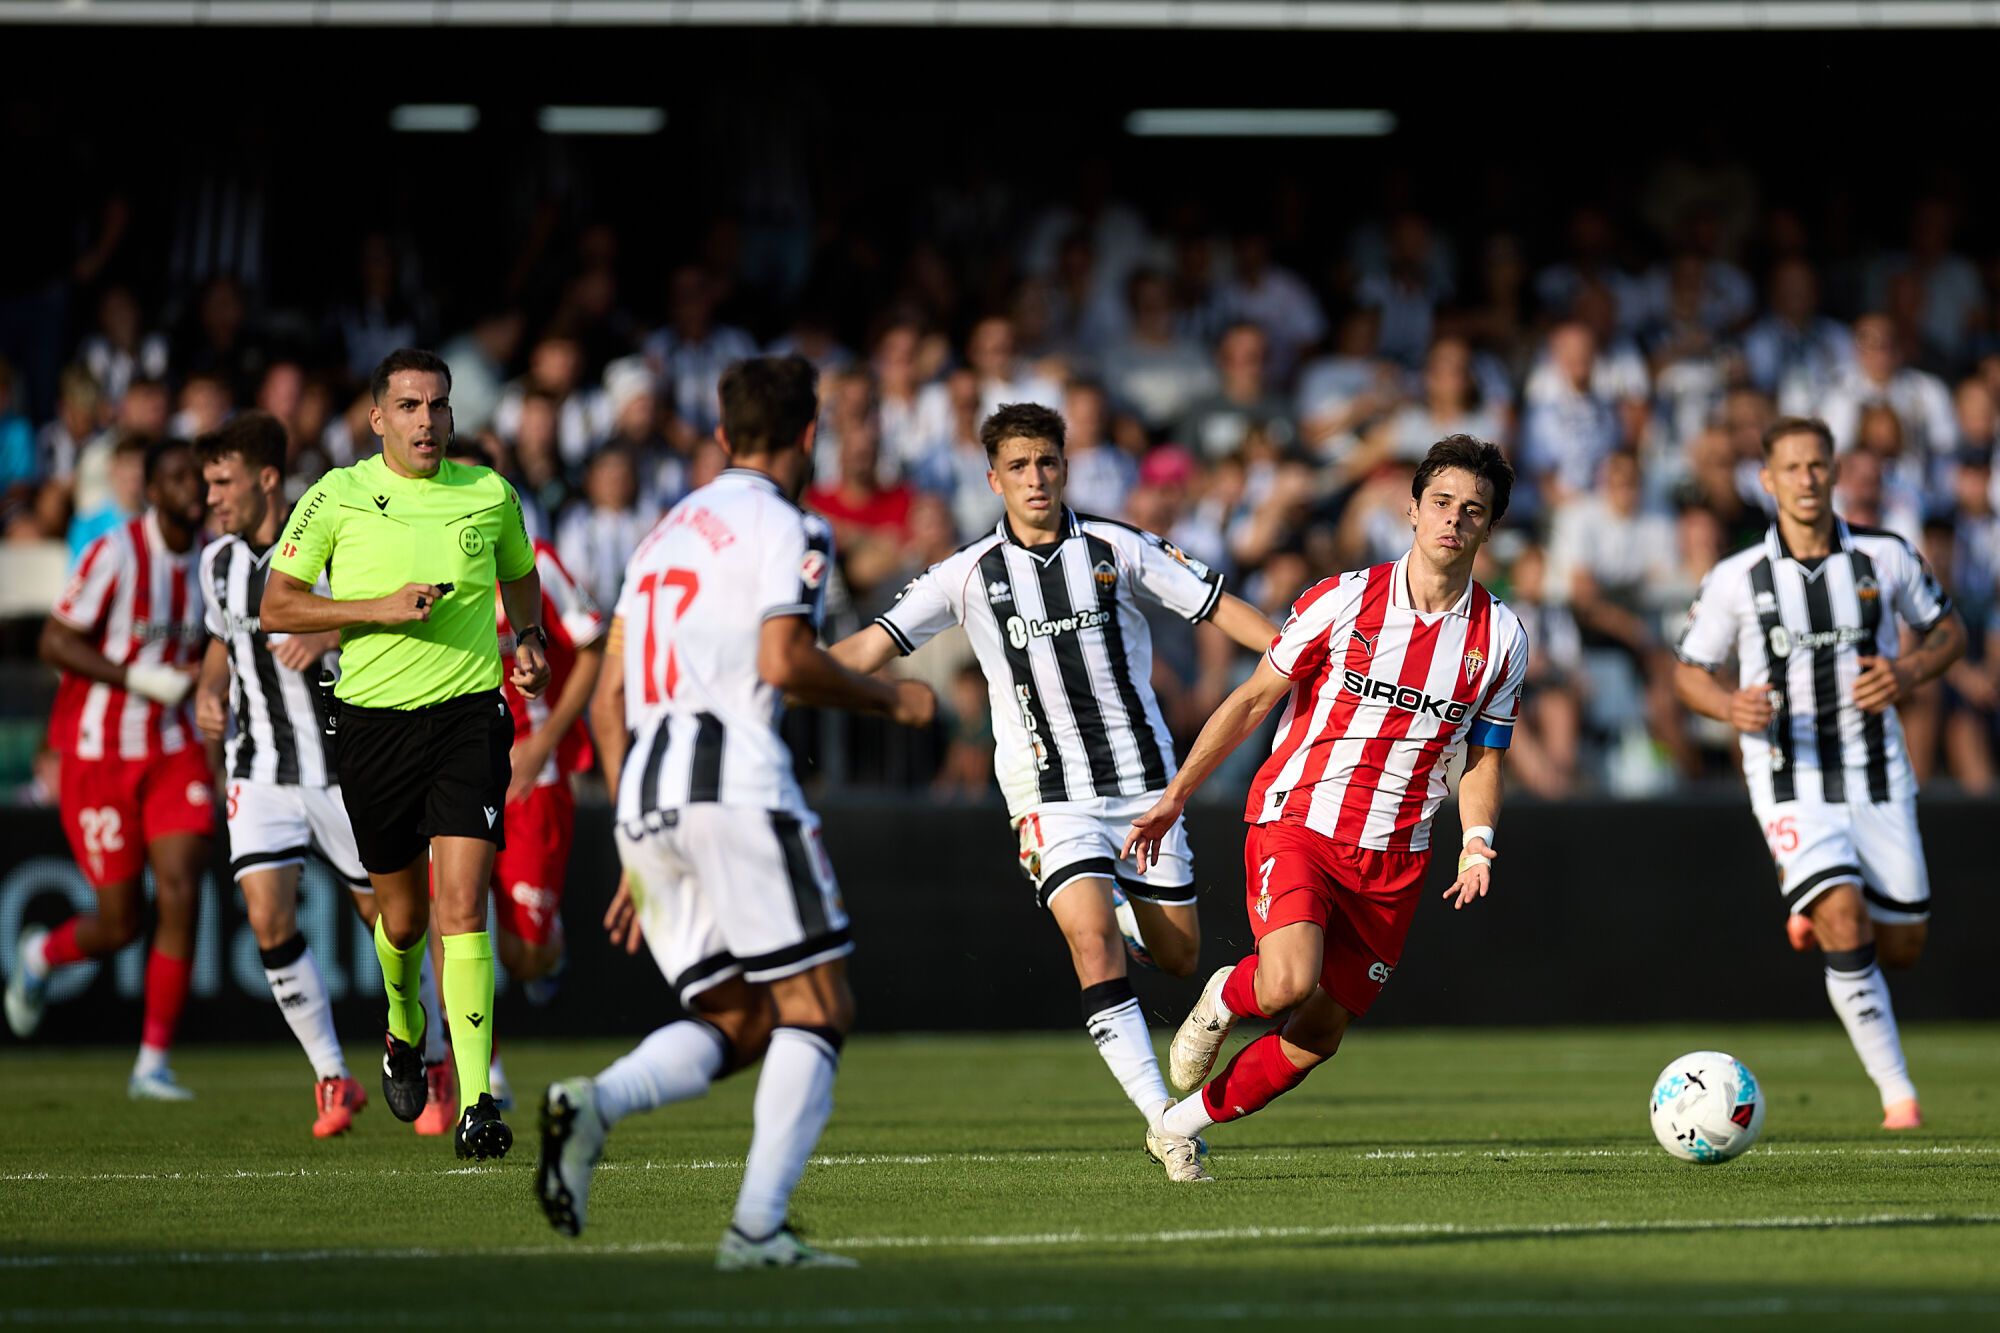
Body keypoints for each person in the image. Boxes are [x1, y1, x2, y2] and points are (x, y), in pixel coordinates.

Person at [535, 355, 935, 1268]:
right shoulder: (791, 523)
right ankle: (756, 1228)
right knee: (820, 1004)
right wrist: (894, 701)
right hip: (736, 781)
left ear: (721, 434)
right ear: (809, 435)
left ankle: (591, 1105)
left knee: (743, 1017)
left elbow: (606, 699)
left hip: (647, 791)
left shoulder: (663, 531)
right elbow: (786, 660)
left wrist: (643, 837)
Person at [829, 401, 1279, 1182]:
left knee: (1178, 957)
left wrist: (1296, 652)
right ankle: (1164, 1125)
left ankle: (1130, 920)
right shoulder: (965, 574)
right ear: (993, 477)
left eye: (1047, 462)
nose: (1035, 477)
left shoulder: (1118, 546)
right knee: (1089, 944)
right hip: (1047, 795)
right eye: (1019, 465)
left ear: (1064, 467)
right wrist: (779, 677)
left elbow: (1217, 606)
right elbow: (871, 645)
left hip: (1145, 786)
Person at [1124, 435, 1529, 1177]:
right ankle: (1226, 993)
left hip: (1398, 855)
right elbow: (1251, 700)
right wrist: (1175, 795)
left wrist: (1476, 839)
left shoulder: (1501, 637)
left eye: (1472, 510)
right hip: (1301, 821)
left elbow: (1484, 755)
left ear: (1489, 525)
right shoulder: (1342, 598)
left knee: (1317, 1033)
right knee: (1284, 981)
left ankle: (1176, 1127)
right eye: (1440, 503)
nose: (1453, 520)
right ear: (1410, 509)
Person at [261, 348, 550, 1159]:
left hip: (468, 718)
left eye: (440, 405)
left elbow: (520, 575)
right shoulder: (338, 495)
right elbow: (276, 605)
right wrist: (378, 609)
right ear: (378, 417)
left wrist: (525, 637)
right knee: (404, 916)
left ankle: (477, 1102)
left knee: (463, 906)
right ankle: (401, 1025)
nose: (428, 420)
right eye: (411, 406)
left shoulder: (489, 493)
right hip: (372, 725)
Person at [1673, 416, 1965, 1130]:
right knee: (1844, 915)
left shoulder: (1885, 556)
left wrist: (1907, 670)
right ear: (1766, 480)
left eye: (1818, 466)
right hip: (1787, 774)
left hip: (1876, 772)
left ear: (1834, 474)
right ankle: (1899, 1096)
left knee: (1901, 946)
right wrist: (1728, 705)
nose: (1807, 479)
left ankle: (1815, 900)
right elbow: (1688, 673)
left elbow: (1948, 630)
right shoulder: (1737, 578)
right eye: (1792, 468)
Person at [189, 411, 447, 1136]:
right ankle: (333, 1077)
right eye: (208, 483)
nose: (211, 497)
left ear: (267, 479)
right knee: (268, 917)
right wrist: (210, 692)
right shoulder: (218, 564)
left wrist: (330, 628)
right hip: (261, 766)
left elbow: (409, 607)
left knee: (393, 922)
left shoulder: (332, 539)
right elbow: (223, 643)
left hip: (344, 764)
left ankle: (434, 1057)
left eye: (222, 482)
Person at [7, 439, 215, 1101]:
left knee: (182, 890)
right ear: (151, 490)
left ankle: (152, 1062)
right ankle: (42, 954)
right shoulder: (118, 553)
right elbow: (53, 640)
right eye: (176, 477)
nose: (192, 488)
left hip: (175, 748)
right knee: (120, 921)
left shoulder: (214, 561)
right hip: (100, 753)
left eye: (199, 477)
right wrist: (137, 676)